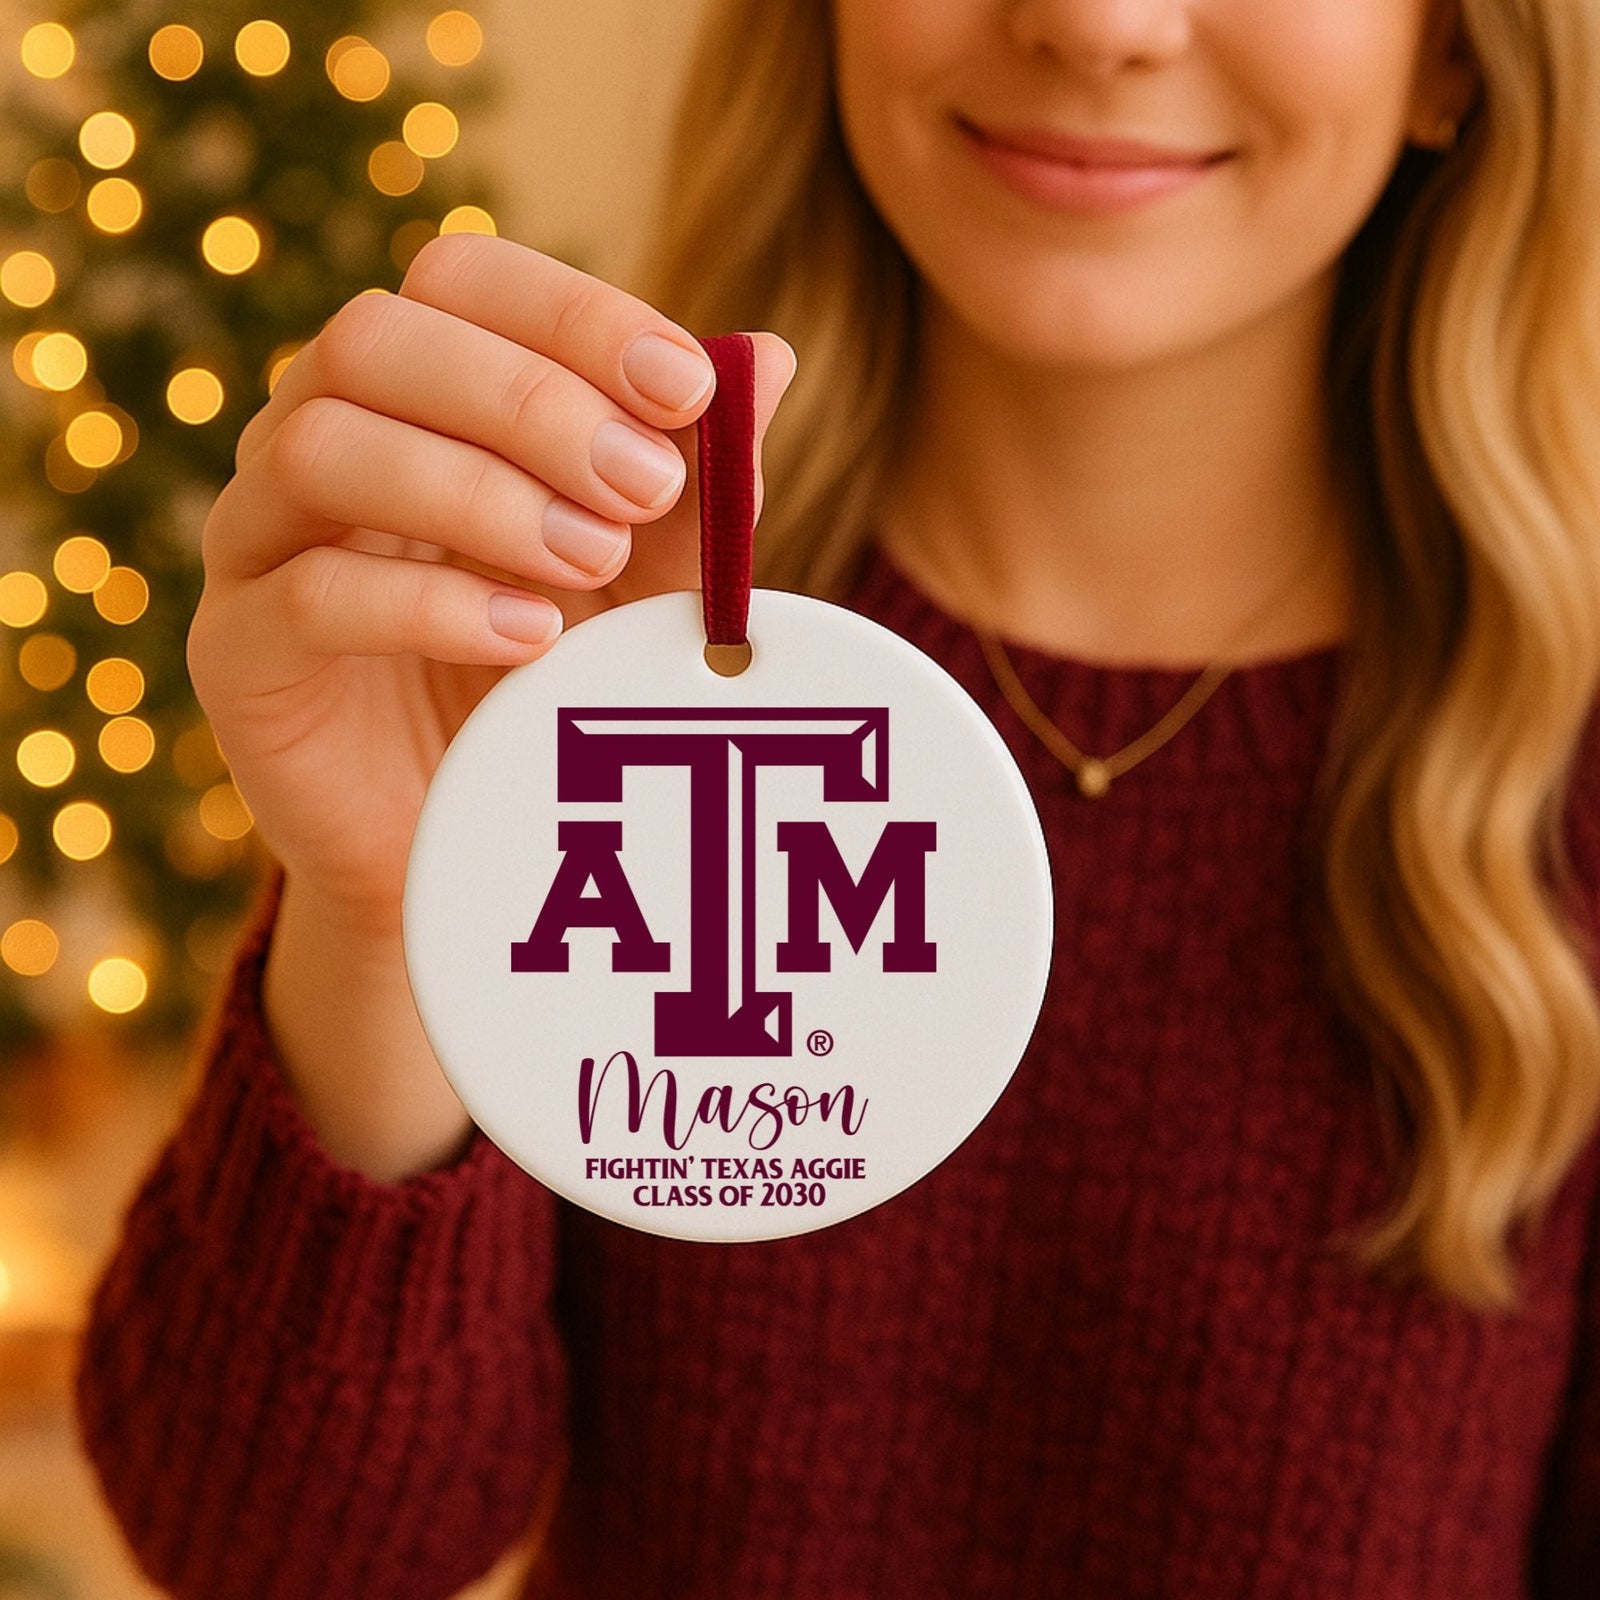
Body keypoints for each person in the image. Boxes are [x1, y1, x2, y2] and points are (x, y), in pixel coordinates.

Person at [72, 0, 1600, 1595]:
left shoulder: (1571, 780)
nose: (1098, 23)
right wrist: (390, 917)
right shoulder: (572, 655)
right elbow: (273, 1553)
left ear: (1456, 52)